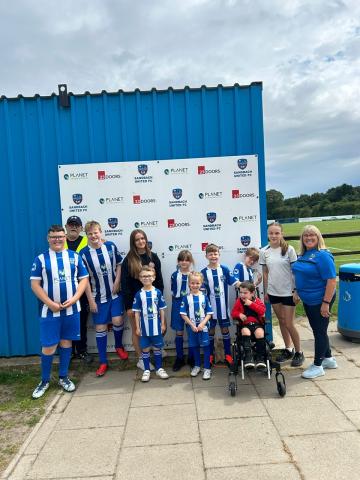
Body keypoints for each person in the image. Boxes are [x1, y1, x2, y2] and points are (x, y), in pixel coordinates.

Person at [30, 225, 89, 399]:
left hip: (71, 310)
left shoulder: (74, 257)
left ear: (65, 237)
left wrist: (76, 298)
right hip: (49, 311)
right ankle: (44, 381)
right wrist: (50, 303)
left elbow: (84, 279)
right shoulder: (40, 259)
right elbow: (35, 285)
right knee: (48, 346)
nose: (57, 239)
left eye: (60, 236)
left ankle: (63, 377)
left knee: (66, 343)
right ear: (48, 238)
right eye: (53, 237)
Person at [79, 221, 128, 377]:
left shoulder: (111, 246)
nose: (93, 236)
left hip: (114, 293)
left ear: (101, 232)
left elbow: (120, 265)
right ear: (86, 235)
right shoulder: (84, 254)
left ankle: (119, 346)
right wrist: (91, 301)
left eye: (96, 232)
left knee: (118, 320)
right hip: (97, 297)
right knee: (100, 328)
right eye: (90, 233)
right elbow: (84, 279)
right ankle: (103, 361)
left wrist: (117, 282)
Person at [292, 225, 337, 379]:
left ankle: (318, 365)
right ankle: (329, 359)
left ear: (318, 237)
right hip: (309, 300)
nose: (309, 238)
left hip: (320, 300)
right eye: (306, 235)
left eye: (312, 235)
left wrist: (325, 303)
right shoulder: (304, 254)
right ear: (302, 239)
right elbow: (300, 275)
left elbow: (331, 280)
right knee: (319, 329)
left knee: (319, 332)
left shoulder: (322, 255)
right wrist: (297, 291)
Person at [260, 222, 304, 367]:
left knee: (289, 323)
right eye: (271, 233)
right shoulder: (263, 251)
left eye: (277, 233)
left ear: (281, 234)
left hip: (288, 292)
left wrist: (296, 290)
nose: (274, 236)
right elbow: (265, 272)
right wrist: (267, 291)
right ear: (268, 234)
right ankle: (288, 349)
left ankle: (299, 352)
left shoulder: (289, 249)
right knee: (281, 321)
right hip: (273, 292)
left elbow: (296, 272)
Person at [120, 229, 164, 370]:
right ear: (133, 243)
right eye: (137, 239)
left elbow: (160, 281)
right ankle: (141, 358)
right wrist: (128, 307)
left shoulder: (153, 257)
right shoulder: (128, 260)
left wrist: (159, 300)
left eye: (142, 238)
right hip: (136, 303)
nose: (141, 241)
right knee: (137, 331)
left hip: (153, 301)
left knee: (161, 327)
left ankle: (157, 349)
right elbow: (125, 285)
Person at [201, 244, 240, 365]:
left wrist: (247, 286)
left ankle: (228, 355)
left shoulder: (224, 269)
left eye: (215, 253)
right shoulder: (203, 272)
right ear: (206, 256)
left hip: (223, 308)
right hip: (210, 309)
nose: (213, 256)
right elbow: (201, 292)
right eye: (210, 254)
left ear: (219, 255)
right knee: (210, 331)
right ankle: (210, 356)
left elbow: (235, 282)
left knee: (224, 329)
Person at [132, 266, 169, 382]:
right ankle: (147, 370)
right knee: (146, 349)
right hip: (144, 328)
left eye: (149, 276)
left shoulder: (157, 292)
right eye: (143, 276)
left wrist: (163, 324)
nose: (146, 278)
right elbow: (137, 313)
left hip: (156, 327)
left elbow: (162, 309)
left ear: (153, 277)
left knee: (158, 348)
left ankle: (159, 368)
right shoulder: (139, 294)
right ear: (140, 278)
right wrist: (137, 327)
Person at [64, 215, 92, 364]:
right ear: (66, 226)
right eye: (71, 224)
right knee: (66, 322)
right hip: (65, 289)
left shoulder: (88, 241)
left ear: (81, 228)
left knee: (81, 322)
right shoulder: (60, 242)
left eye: (76, 225)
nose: (73, 227)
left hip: (82, 289)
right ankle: (68, 352)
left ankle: (81, 351)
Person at [180, 272, 213, 380]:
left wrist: (203, 323)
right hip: (191, 328)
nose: (195, 285)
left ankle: (207, 368)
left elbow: (209, 313)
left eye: (197, 283)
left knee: (206, 347)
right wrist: (192, 325)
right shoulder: (186, 298)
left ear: (201, 283)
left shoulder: (204, 297)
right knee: (194, 346)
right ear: (189, 284)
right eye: (192, 283)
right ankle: (197, 365)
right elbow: (183, 313)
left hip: (203, 328)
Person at [231, 281, 267, 369]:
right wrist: (239, 314)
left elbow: (262, 311)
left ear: (252, 293)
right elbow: (233, 313)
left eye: (245, 293)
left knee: (259, 333)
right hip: (245, 325)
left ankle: (260, 358)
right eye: (241, 292)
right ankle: (248, 357)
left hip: (257, 324)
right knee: (245, 331)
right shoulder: (239, 302)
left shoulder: (257, 301)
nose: (242, 295)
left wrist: (251, 304)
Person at [170, 250, 195, 371]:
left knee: (191, 331)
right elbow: (173, 292)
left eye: (187, 260)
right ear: (178, 262)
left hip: (191, 305)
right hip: (178, 304)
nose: (184, 262)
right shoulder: (175, 275)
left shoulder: (194, 275)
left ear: (190, 262)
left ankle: (191, 358)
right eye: (181, 260)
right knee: (179, 332)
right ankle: (179, 358)